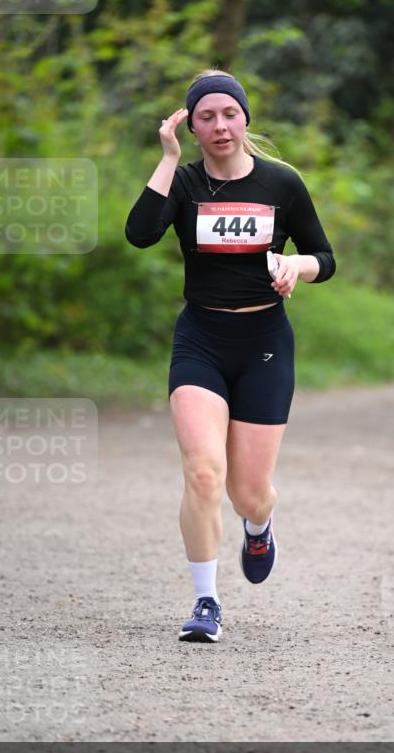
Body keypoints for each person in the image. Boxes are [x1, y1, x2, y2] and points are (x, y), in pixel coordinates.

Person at [125, 69, 336, 642]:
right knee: (202, 473)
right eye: (206, 117)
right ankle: (206, 603)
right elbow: (140, 234)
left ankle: (259, 525)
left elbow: (325, 257)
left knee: (247, 493)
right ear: (191, 127)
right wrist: (168, 160)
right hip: (200, 340)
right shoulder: (185, 183)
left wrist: (296, 265)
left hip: (264, 343)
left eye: (230, 114)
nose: (220, 126)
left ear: (245, 119)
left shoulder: (281, 182)